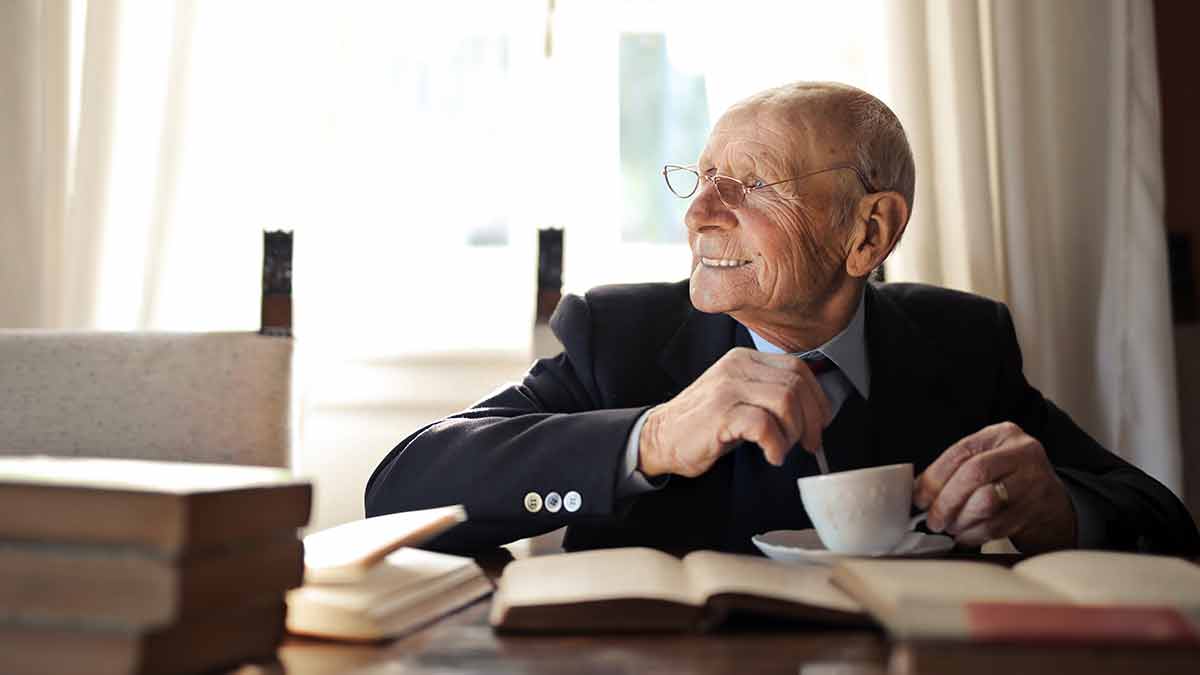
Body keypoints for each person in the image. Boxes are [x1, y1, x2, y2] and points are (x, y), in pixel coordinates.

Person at [365, 81, 1199, 556]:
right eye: (699, 179)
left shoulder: (961, 343)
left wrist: (1064, 509)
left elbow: (1164, 520)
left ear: (868, 232)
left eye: (753, 183)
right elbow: (398, 488)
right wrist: (650, 436)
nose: (699, 215)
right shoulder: (618, 337)